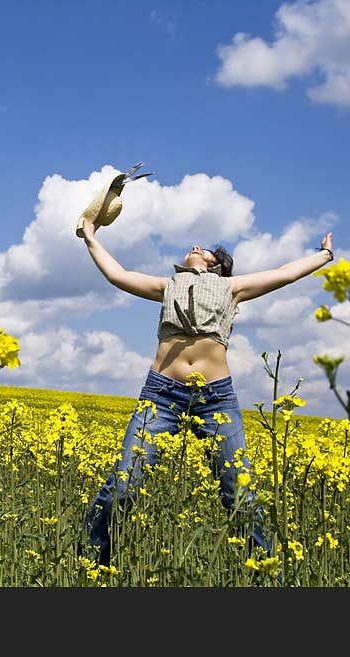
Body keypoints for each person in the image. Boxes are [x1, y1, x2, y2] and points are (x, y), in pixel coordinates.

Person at [77, 212, 334, 566]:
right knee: (124, 486)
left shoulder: (232, 288)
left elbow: (283, 274)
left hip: (216, 399)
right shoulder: (167, 285)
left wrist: (323, 256)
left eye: (206, 250)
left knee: (239, 494)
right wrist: (90, 235)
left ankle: (265, 569)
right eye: (193, 247)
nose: (195, 248)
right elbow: (117, 275)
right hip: (161, 396)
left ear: (218, 268)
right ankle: (90, 562)